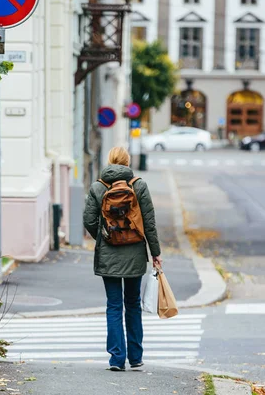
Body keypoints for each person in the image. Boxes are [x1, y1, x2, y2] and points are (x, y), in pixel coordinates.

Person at [83, 146, 162, 371]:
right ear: (127, 163)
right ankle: (136, 357)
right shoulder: (139, 186)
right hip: (135, 253)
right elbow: (149, 222)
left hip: (108, 255)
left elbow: (88, 220)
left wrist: (103, 237)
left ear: (110, 161)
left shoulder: (98, 187)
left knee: (114, 306)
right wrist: (155, 253)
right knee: (133, 304)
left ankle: (117, 359)